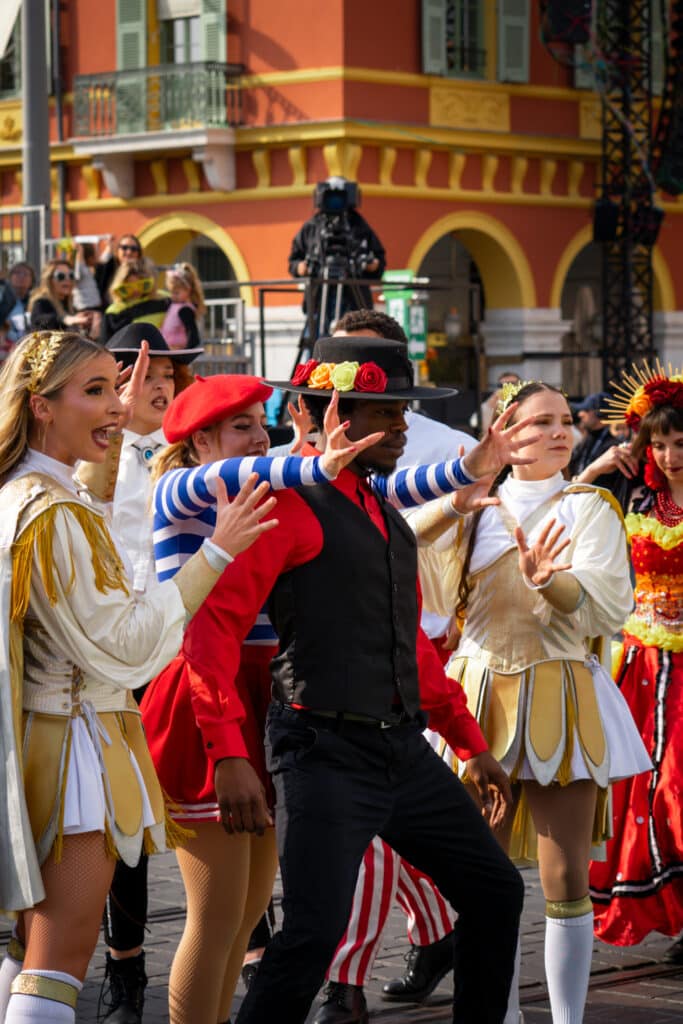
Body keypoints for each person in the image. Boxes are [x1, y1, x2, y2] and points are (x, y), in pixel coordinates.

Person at [196, 334, 539, 1024]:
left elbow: (402, 642)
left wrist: (468, 743)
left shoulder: (379, 509)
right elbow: (210, 631)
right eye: (386, 412)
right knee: (311, 937)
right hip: (321, 752)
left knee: (496, 891)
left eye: (402, 411)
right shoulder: (283, 503)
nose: (403, 426)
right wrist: (228, 752)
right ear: (331, 416)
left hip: (401, 751)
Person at [0, 329, 280, 1024]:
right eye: (94, 392)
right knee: (55, 968)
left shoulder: (28, 494)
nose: (116, 409)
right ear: (40, 405)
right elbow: (124, 650)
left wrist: (109, 424)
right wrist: (216, 551)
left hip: (39, 738)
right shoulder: (47, 509)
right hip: (72, 752)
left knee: (29, 955)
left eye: (115, 390)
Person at [140, 375, 386, 1024]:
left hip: (269, 691)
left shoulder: (267, 483)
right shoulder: (178, 489)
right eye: (241, 425)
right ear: (199, 441)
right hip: (204, 690)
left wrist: (467, 469)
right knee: (217, 916)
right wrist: (311, 461)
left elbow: (381, 491)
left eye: (260, 421)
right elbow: (232, 478)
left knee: (249, 913)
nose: (258, 435)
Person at [412, 380, 651, 1024]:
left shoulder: (590, 506)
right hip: (479, 693)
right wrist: (450, 507)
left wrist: (552, 583)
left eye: (565, 421)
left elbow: (609, 600)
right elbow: (411, 566)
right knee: (484, 878)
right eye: (539, 422)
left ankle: (567, 1019)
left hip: (561, 690)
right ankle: (502, 1014)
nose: (558, 432)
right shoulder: (474, 504)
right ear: (504, 434)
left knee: (564, 875)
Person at [79, 322, 202, 1024]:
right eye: (139, 374)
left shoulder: (197, 452)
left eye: (168, 375)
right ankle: (125, 970)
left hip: (189, 655)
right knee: (125, 824)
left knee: (209, 810)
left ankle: (246, 941)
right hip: (120, 659)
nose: (156, 384)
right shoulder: (99, 455)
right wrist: (117, 430)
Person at [589, 364, 683, 962]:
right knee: (643, 790)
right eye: (662, 442)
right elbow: (564, 522)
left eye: (682, 441)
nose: (672, 455)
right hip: (641, 666)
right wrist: (597, 468)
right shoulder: (633, 495)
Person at [288, 177, 385, 334]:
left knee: (353, 339)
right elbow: (294, 260)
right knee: (317, 340)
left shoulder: (359, 225)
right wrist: (300, 268)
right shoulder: (312, 226)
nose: (335, 201)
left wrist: (372, 265)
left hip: (353, 296)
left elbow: (379, 260)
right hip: (319, 296)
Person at [100, 259, 170, 344]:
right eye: (129, 287)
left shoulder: (164, 300)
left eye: (141, 285)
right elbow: (106, 344)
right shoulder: (114, 311)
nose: (135, 291)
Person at [28, 260, 93, 334]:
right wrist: (66, 320)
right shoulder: (41, 302)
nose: (67, 280)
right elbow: (40, 320)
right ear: (49, 280)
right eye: (61, 276)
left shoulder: (71, 305)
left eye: (71, 275)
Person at [161, 262, 205, 351]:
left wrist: (185, 353)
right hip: (169, 349)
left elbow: (193, 336)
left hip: (177, 350)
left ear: (188, 290)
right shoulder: (174, 305)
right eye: (171, 292)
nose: (173, 296)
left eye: (177, 293)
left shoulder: (185, 310)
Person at [96, 234, 144, 305]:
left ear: (138, 254)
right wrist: (109, 249)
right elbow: (99, 271)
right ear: (117, 251)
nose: (129, 252)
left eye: (133, 249)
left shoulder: (145, 271)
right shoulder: (109, 268)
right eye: (124, 248)